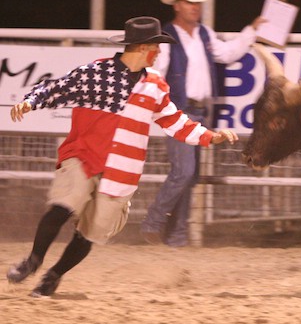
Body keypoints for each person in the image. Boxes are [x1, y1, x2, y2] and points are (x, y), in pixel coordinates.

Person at [6, 16, 238, 297]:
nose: (161, 53)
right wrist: (31, 101)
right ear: (143, 48)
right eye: (157, 47)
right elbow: (57, 87)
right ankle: (33, 261)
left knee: (90, 232)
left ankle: (54, 276)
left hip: (121, 171)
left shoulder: (155, 87)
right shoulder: (95, 73)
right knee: (64, 205)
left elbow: (175, 121)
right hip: (83, 157)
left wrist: (209, 136)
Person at [140, 0, 263, 247]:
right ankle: (154, 221)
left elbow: (228, 52)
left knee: (189, 174)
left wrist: (251, 31)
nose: (195, 7)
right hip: (180, 111)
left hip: (199, 112)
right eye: (189, 2)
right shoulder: (168, 36)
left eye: (197, 3)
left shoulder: (205, 33)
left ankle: (176, 237)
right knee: (184, 172)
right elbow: (157, 72)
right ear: (177, 5)